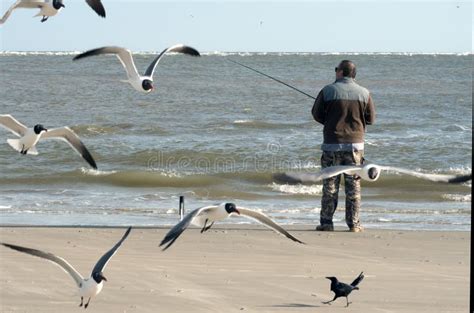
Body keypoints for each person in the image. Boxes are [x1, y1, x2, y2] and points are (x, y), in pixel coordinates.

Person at [311, 60, 376, 232]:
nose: (335, 72)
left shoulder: (327, 91)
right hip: (355, 147)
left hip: (332, 144)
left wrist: (329, 121)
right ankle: (354, 224)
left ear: (341, 72)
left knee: (330, 185)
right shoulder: (364, 93)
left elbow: (316, 114)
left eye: (336, 69)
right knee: (353, 187)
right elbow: (371, 119)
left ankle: (326, 223)